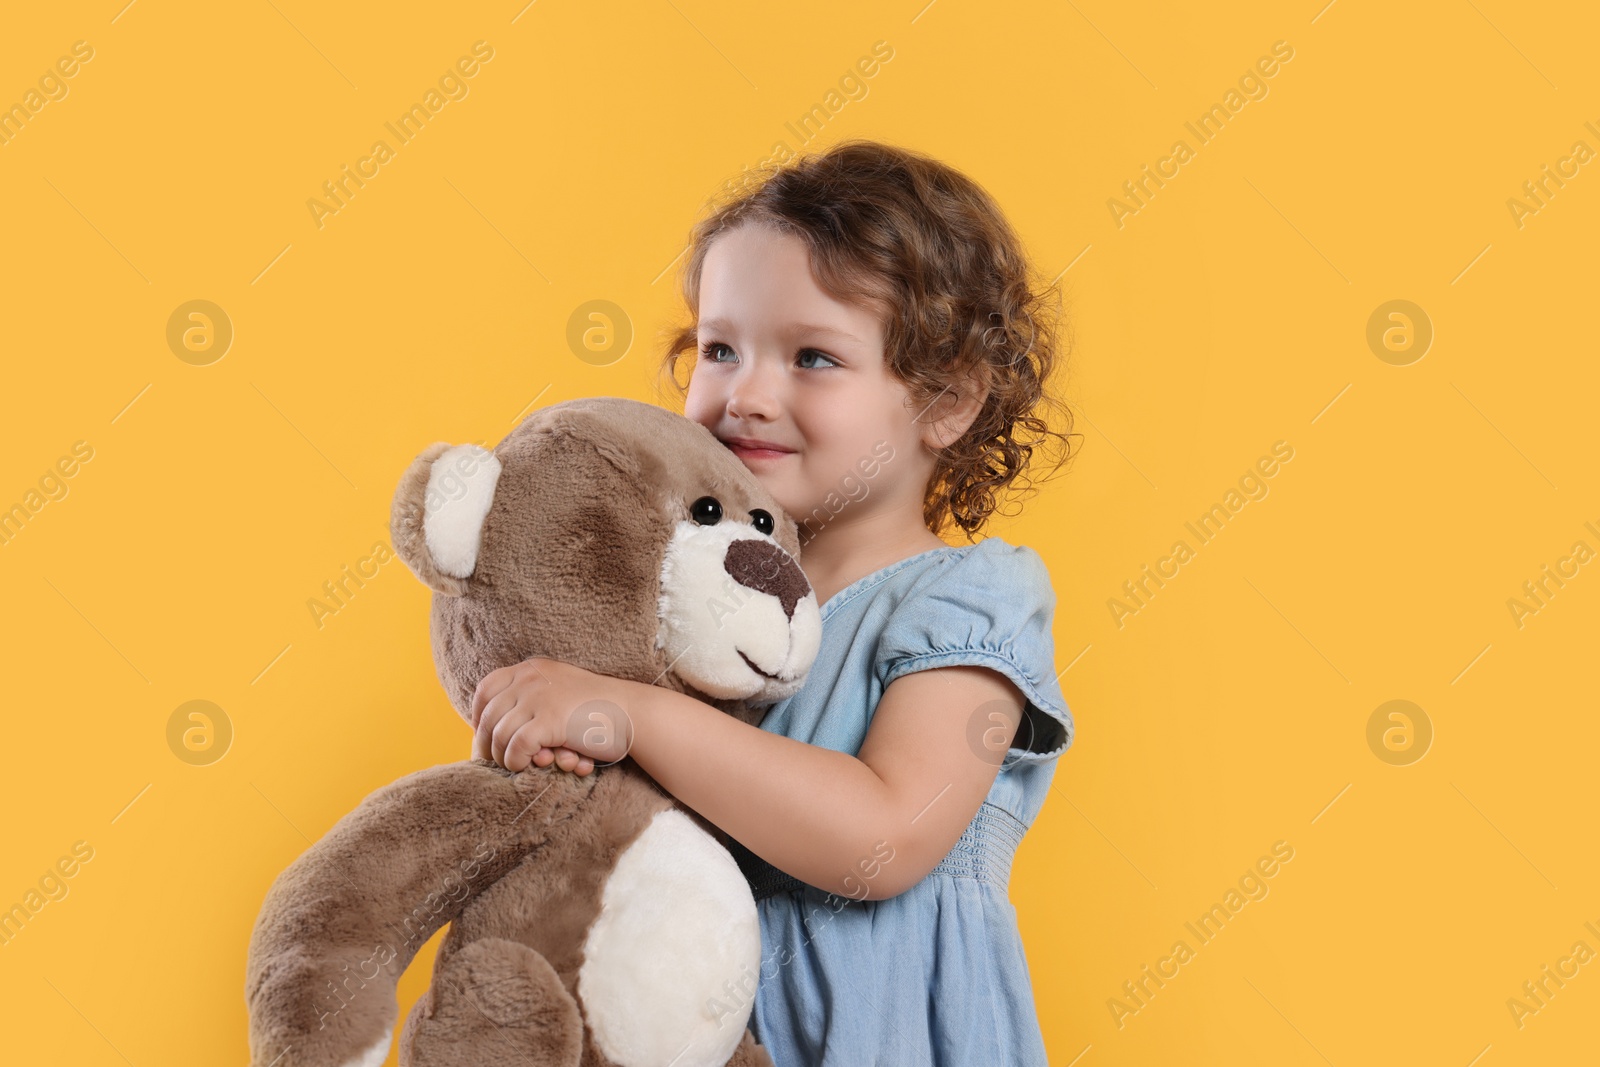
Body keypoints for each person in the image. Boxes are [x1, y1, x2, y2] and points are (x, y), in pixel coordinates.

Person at [471, 139, 1079, 1065]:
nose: (746, 394)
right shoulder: (681, 624)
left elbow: (885, 835)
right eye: (720, 348)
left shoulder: (966, 600)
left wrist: (634, 714)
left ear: (946, 403)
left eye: (813, 358)